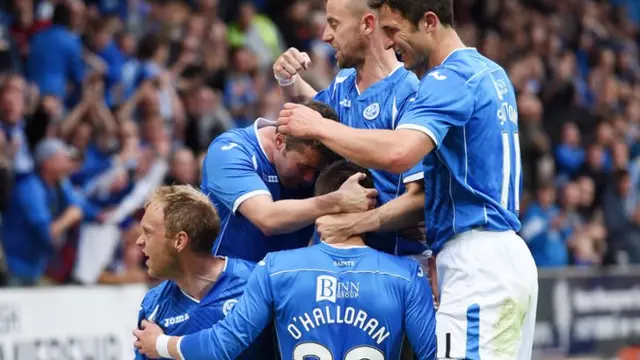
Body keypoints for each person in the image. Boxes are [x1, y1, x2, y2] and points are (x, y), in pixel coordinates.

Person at [276, 0, 539, 358]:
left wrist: (321, 128)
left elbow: (399, 153)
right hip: (499, 255)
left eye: (394, 31)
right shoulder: (489, 71)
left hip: (475, 260)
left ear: (429, 22)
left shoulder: (447, 79)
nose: (388, 43)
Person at [133, 161, 437, 360]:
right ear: (371, 207)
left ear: (323, 206)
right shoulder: (406, 275)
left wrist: (160, 344)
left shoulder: (277, 269)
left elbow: (223, 344)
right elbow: (433, 353)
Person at [273, 0, 428, 261]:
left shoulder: (409, 93)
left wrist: (357, 223)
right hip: (338, 258)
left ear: (367, 25)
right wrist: (288, 78)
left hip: (397, 264)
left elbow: (419, 201)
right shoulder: (344, 82)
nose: (325, 36)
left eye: (334, 24)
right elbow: (315, 118)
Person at [200, 100, 377, 263]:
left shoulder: (316, 162)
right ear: (279, 141)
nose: (309, 179)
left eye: (316, 171)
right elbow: (267, 218)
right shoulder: (229, 152)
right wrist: (337, 200)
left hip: (281, 285)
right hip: (227, 287)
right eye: (303, 167)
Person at [134, 185, 275, 360]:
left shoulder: (255, 281)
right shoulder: (153, 305)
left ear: (179, 241)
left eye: (148, 232)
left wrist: (161, 344)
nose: (139, 241)